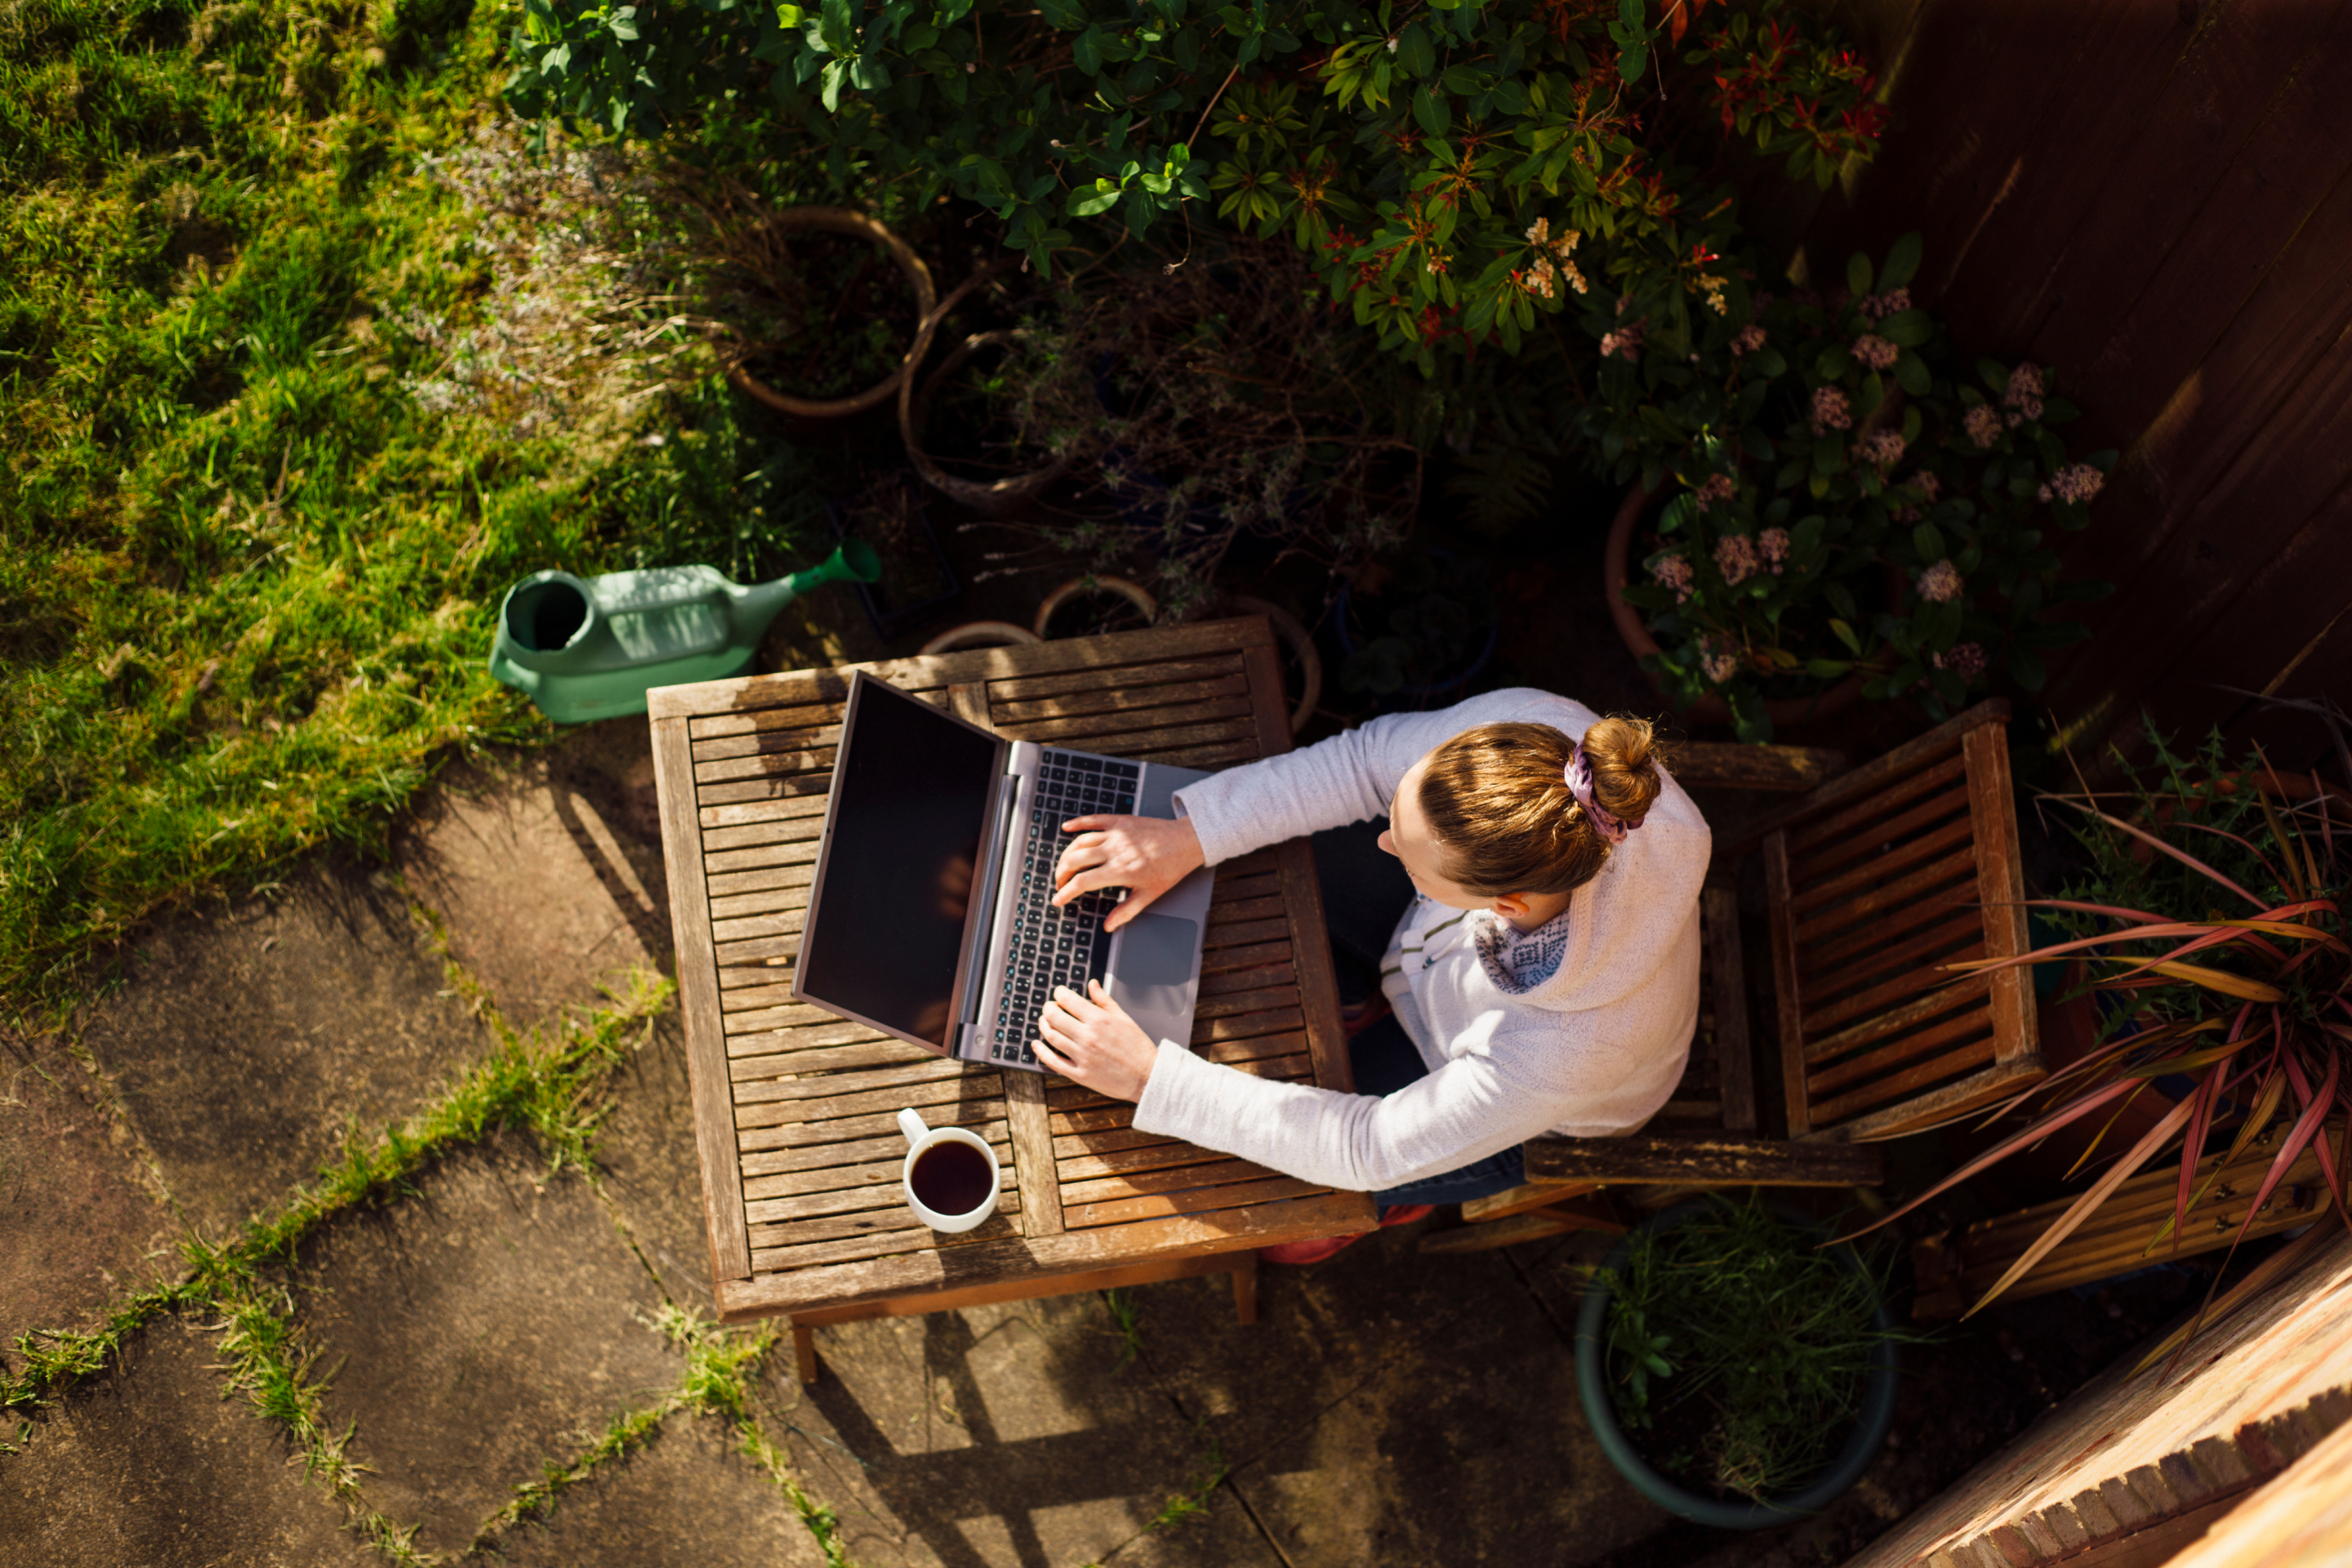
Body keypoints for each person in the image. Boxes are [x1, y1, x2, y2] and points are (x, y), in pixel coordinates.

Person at [1029, 688, 1712, 1263]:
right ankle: (1369, 991)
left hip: (1537, 1110)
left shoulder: (1565, 1051)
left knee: (1283, 1225)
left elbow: (1369, 1145)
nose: (1384, 842)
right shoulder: (1536, 750)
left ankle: (1409, 1188)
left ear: (1505, 905)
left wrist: (1153, 1081)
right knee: (1292, 845)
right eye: (1398, 818)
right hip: (1444, 962)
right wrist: (1191, 836)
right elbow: (1360, 763)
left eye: (1409, 859)